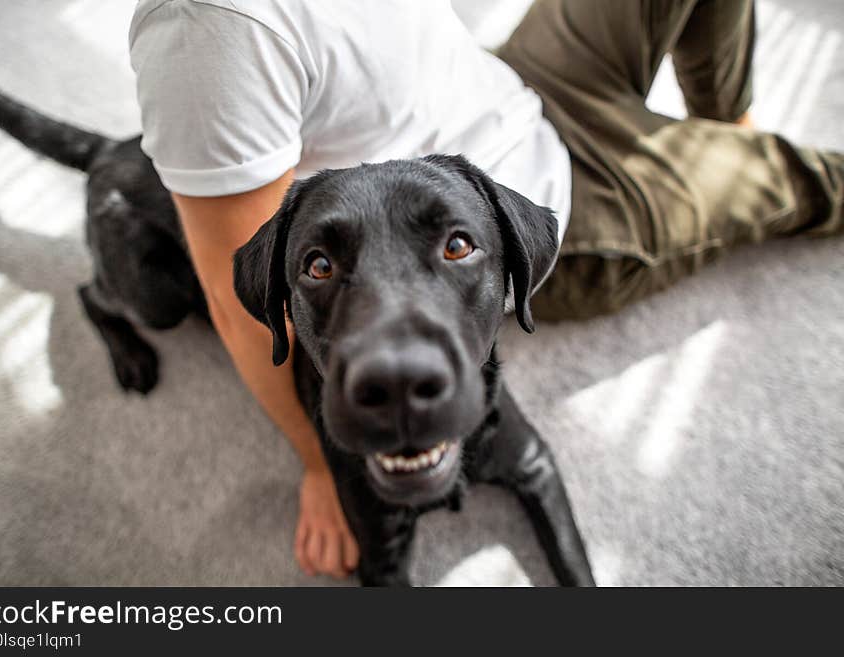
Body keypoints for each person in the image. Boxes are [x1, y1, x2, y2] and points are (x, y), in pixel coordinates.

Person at [128, 0, 843, 579]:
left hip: (514, 85)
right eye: (320, 269)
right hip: (571, 198)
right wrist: (317, 460)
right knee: (802, 178)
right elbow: (233, 292)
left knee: (742, 153)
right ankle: (732, 158)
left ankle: (724, 127)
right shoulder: (207, 33)